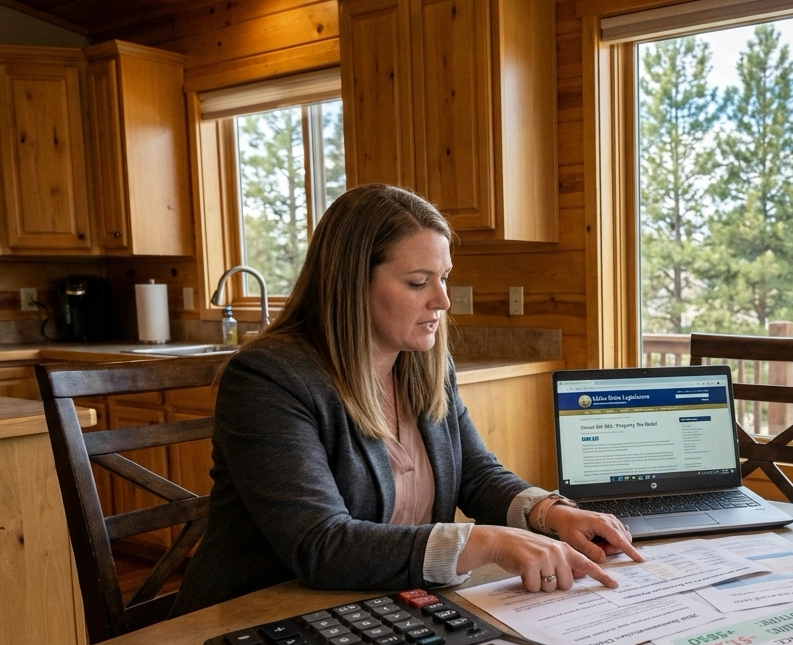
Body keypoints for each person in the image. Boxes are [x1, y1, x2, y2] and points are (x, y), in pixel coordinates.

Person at [174, 185, 641, 614]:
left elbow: (476, 476)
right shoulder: (268, 378)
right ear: (350, 284)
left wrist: (550, 512)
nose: (441, 300)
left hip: (383, 608)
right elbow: (321, 544)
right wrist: (491, 542)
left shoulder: (424, 362)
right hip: (254, 619)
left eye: (444, 278)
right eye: (419, 282)